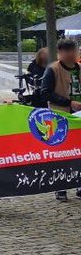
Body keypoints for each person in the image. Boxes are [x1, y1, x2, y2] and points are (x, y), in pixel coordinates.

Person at [38, 39, 81, 202]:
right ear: (61, 53)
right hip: (60, 117)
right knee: (61, 153)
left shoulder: (79, 68)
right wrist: (69, 103)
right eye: (67, 51)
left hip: (79, 118)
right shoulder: (53, 70)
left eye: (74, 51)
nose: (72, 54)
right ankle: (60, 187)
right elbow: (45, 93)